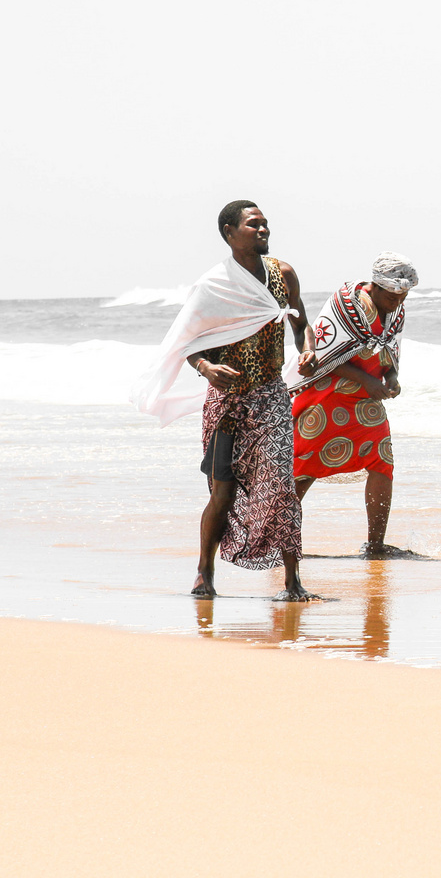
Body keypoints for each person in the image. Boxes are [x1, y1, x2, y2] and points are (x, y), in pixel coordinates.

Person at [131, 200, 317, 599]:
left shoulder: (283, 274)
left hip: (270, 396)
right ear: (230, 233)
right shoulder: (214, 284)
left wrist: (307, 350)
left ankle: (292, 580)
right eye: (254, 225)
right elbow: (188, 341)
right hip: (227, 402)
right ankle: (204, 573)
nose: (263, 230)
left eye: (266, 224)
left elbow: (301, 322)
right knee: (223, 490)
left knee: (281, 486)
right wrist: (205, 369)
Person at [290, 252, 419, 558]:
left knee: (382, 460)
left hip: (365, 401)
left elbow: (389, 352)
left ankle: (375, 545)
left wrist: (392, 377)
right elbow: (323, 356)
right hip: (326, 395)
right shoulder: (345, 304)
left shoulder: (395, 311)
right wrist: (366, 380)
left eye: (403, 295)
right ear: (375, 285)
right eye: (392, 294)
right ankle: (278, 540)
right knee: (303, 470)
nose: (398, 301)